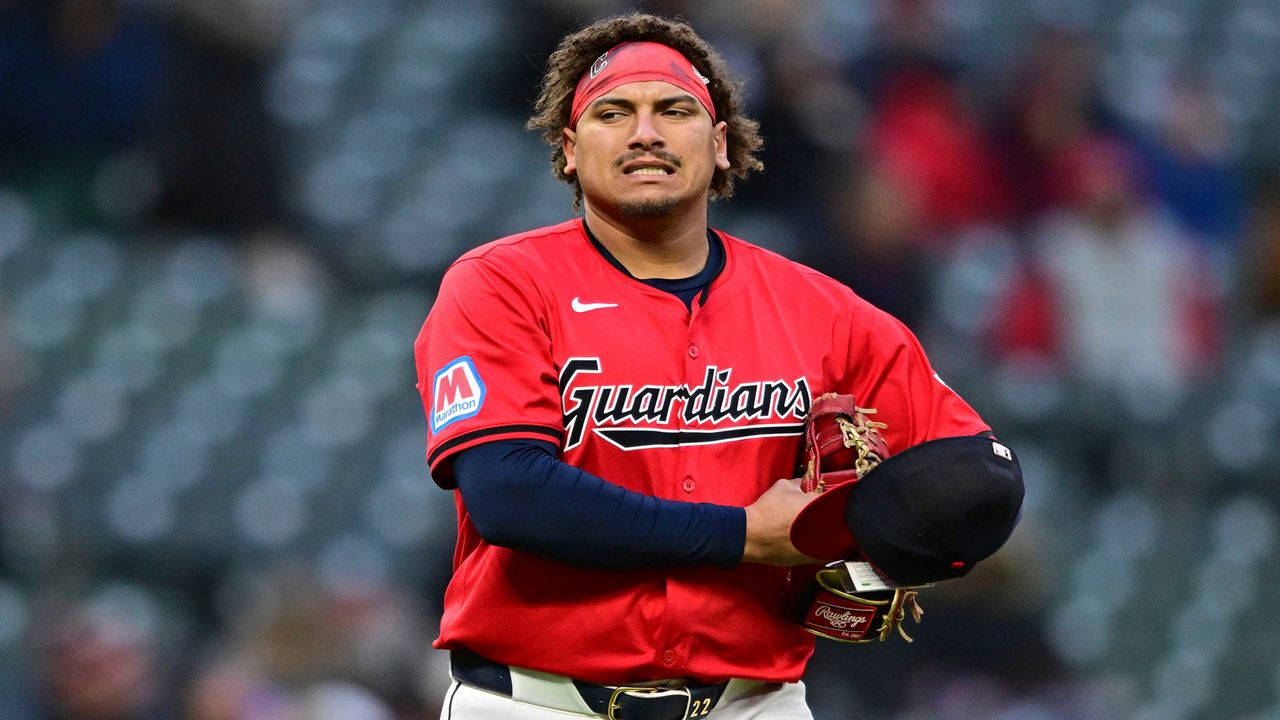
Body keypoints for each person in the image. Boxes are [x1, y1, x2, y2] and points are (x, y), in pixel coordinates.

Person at [414, 13, 995, 720]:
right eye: (614, 113)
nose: (646, 133)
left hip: (753, 705)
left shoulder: (819, 309)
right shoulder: (503, 284)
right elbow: (512, 494)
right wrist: (745, 535)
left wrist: (873, 540)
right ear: (569, 151)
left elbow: (980, 476)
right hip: (536, 703)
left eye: (674, 110)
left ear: (720, 145)